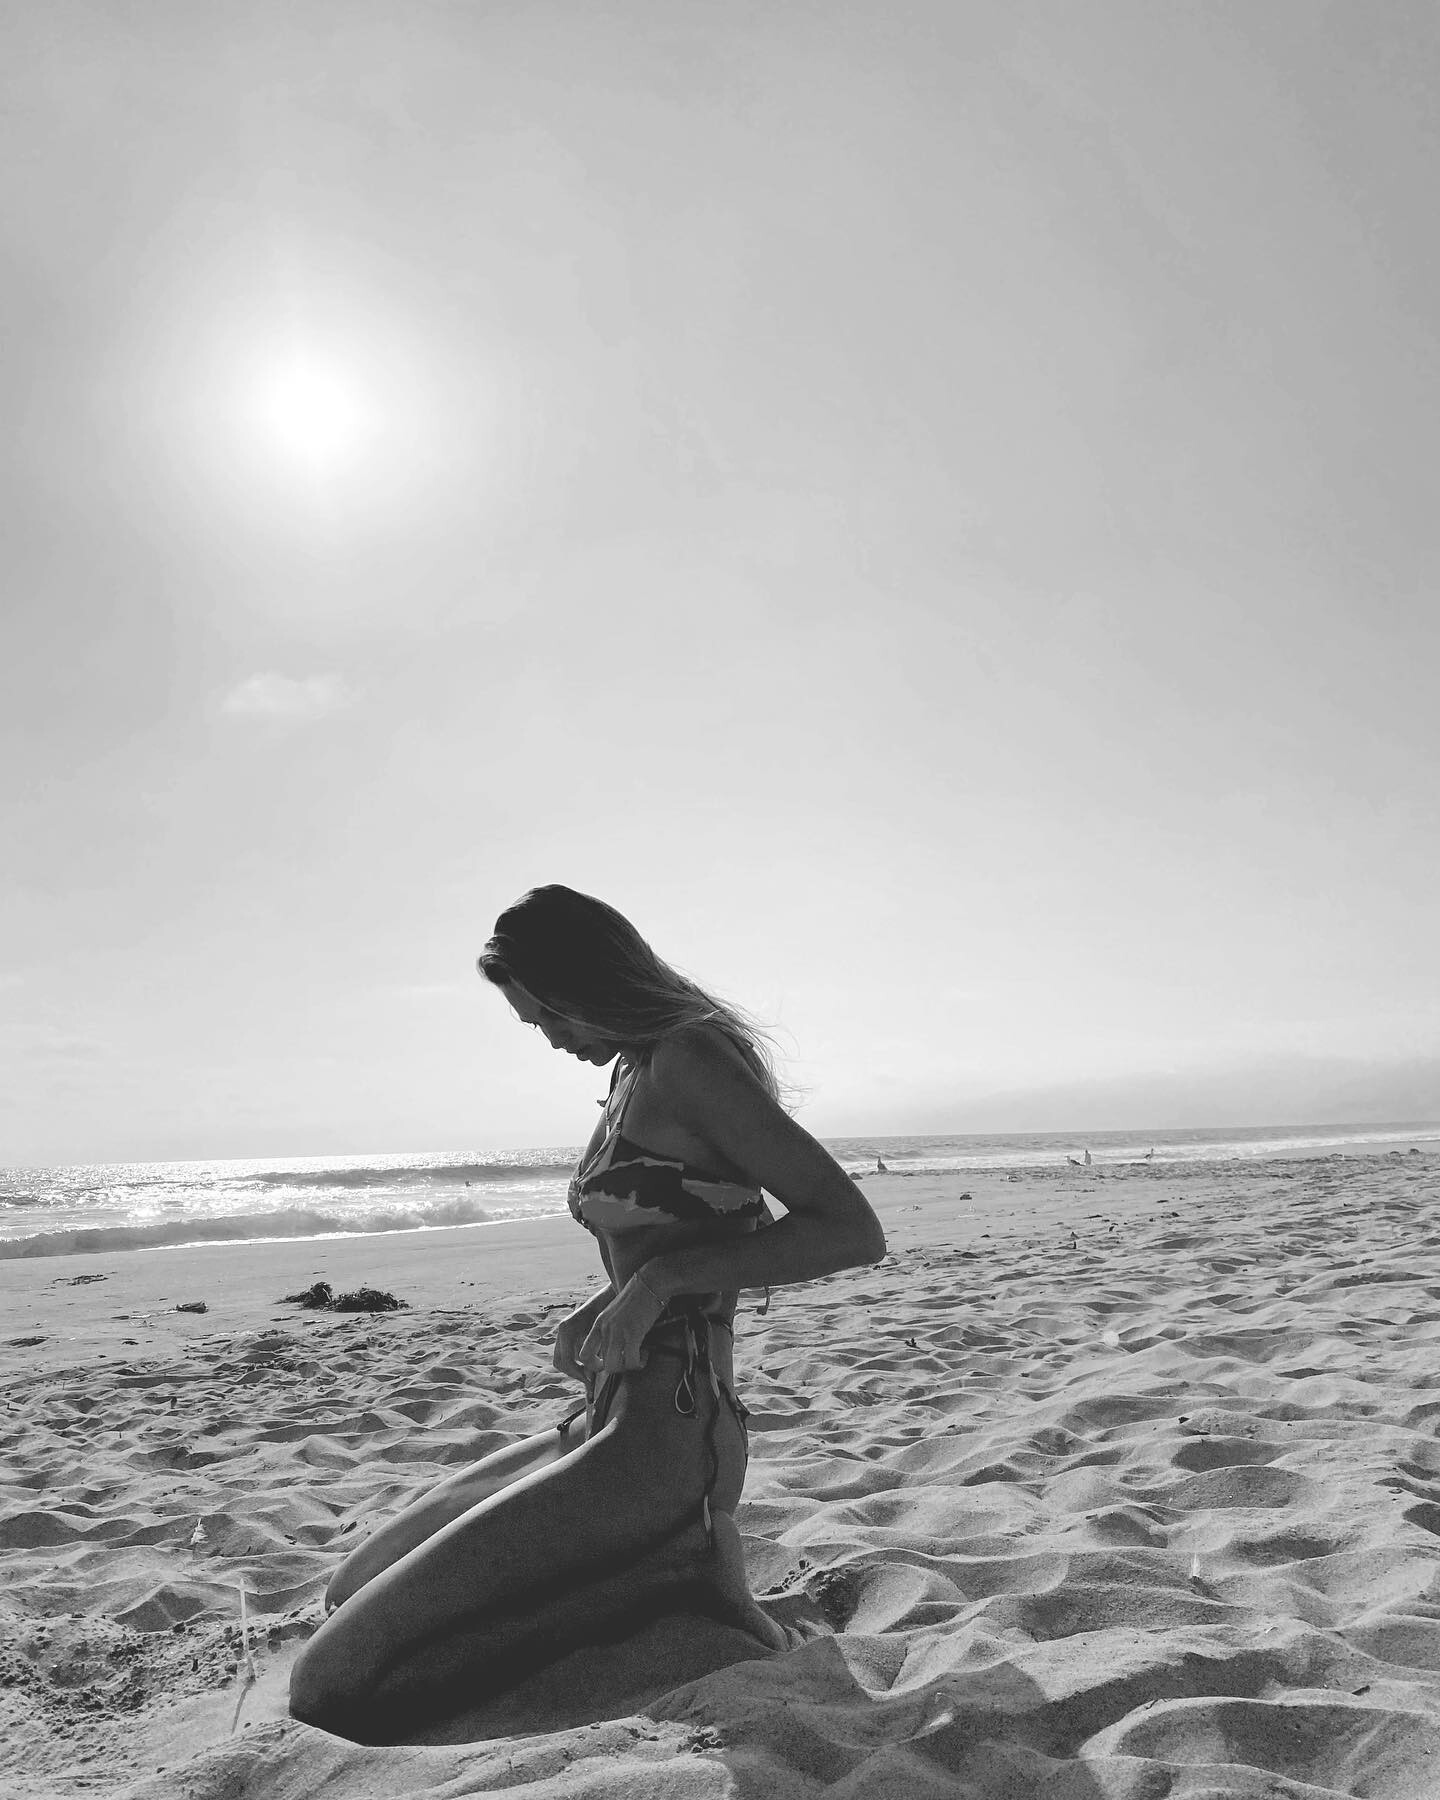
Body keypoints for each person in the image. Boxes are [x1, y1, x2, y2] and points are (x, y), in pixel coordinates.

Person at [289, 885, 886, 1739]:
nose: (551, 1039)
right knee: (349, 1587)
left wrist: (656, 1285)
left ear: (588, 982)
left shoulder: (690, 1059)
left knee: (330, 1686)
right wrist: (611, 1296)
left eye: (549, 1016)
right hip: (601, 1417)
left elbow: (850, 1230)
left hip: (670, 1438)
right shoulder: (631, 1068)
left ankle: (670, 1575)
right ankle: (660, 1570)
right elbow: (709, 1216)